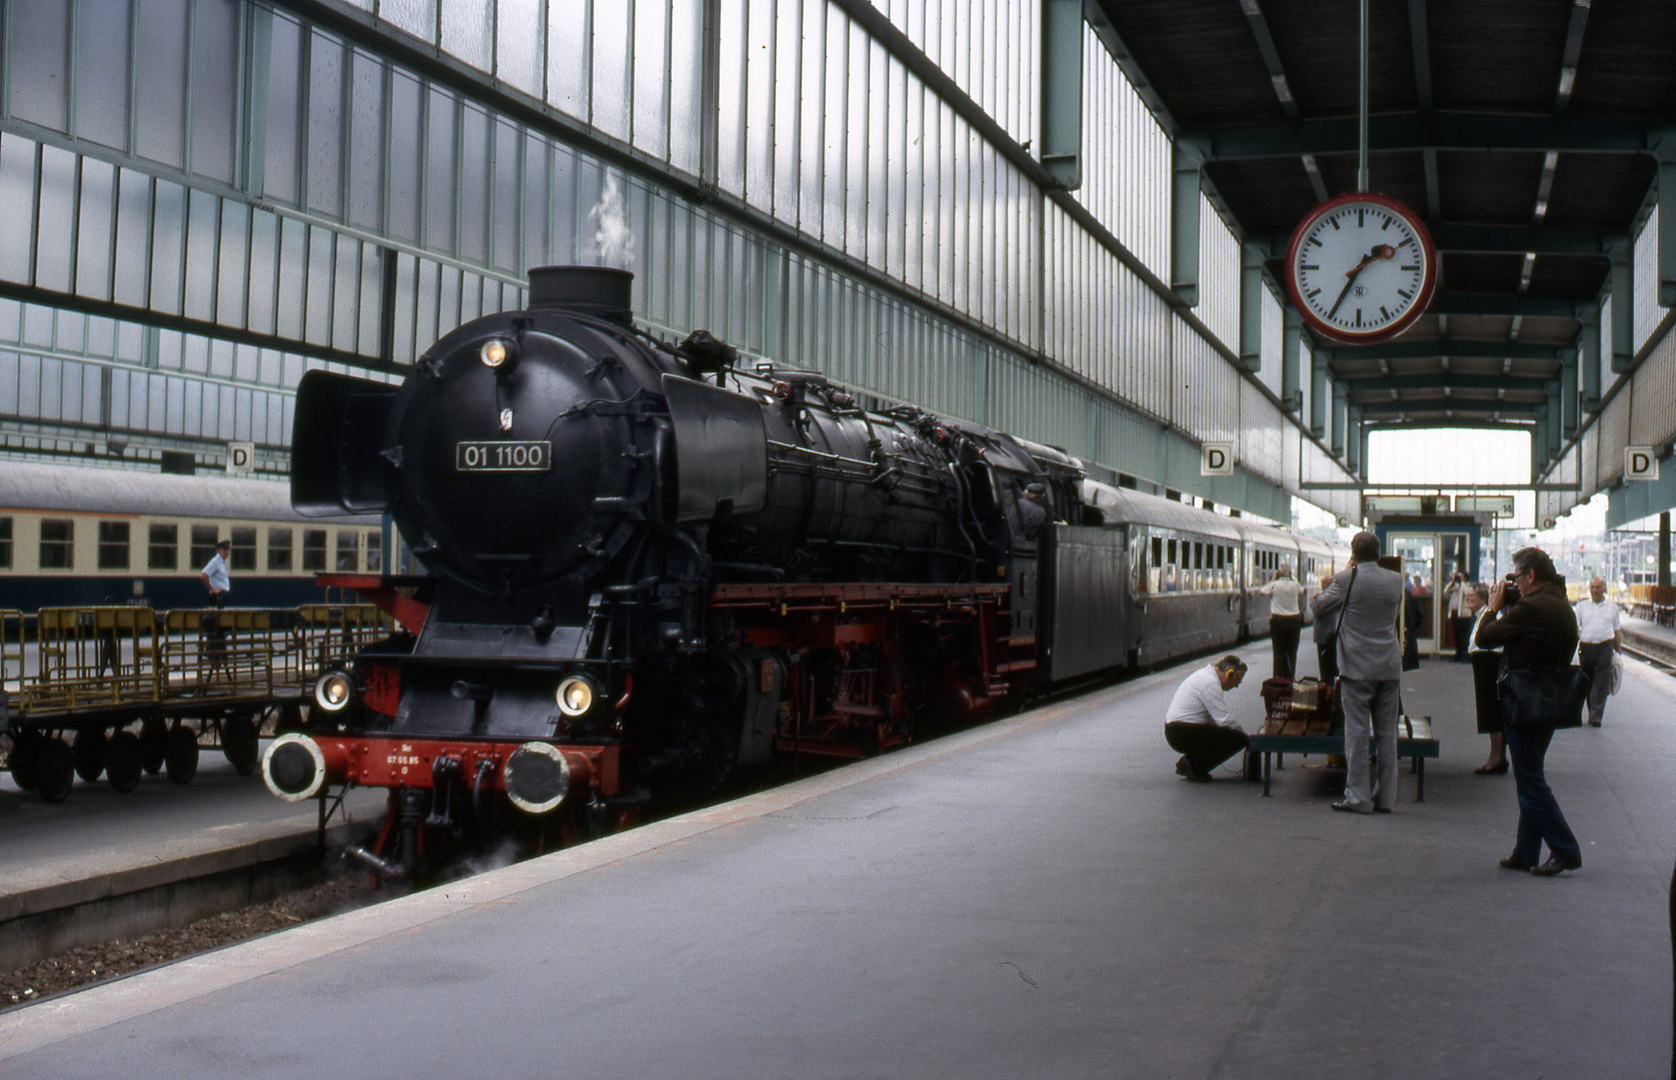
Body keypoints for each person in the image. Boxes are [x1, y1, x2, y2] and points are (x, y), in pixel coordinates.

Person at [1476, 546, 1583, 876]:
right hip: (1548, 702)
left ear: (1531, 576)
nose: (1515, 583)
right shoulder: (1560, 604)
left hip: (1525, 703)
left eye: (1518, 577)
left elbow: (1484, 638)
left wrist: (1493, 609)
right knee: (1530, 776)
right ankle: (1525, 851)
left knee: (1531, 781)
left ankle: (1565, 849)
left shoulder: (1532, 607)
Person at [1310, 530, 1404, 814]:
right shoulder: (1395, 580)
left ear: (1353, 553)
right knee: (1388, 735)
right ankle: (1386, 798)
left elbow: (1317, 608)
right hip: (1388, 666)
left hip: (1356, 668)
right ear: (1378, 553)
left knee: (1357, 734)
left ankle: (1359, 798)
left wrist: (1326, 586)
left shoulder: (1344, 579)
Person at [1164, 655, 1249, 782]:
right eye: (1238, 680)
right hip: (1181, 730)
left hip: (1177, 729)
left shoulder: (1206, 677)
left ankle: (1193, 764)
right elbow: (1224, 720)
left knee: (1226, 734)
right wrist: (1245, 737)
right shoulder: (1210, 683)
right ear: (1229, 674)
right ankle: (1192, 765)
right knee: (1238, 739)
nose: (1236, 686)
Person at [1466, 583, 1508, 775]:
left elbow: (1487, 640)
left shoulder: (1490, 615)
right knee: (1489, 711)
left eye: (1472, 596)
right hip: (1483, 662)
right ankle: (1497, 756)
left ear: (1483, 599)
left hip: (1489, 662)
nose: (1468, 599)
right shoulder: (1482, 616)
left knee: (1491, 711)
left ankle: (1496, 757)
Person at [1574, 576, 1622, 727]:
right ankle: (1591, 709)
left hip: (1605, 646)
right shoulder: (1581, 607)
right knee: (1587, 680)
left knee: (1601, 682)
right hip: (1586, 646)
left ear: (1604, 588)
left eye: (1598, 587)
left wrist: (1618, 652)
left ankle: (1596, 716)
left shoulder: (1613, 608)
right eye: (1592, 587)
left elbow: (1616, 631)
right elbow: (1576, 628)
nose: (1594, 591)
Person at [1254, 563, 1307, 680]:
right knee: (1292, 652)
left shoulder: (1274, 585)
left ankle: (1278, 679)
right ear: (1291, 573)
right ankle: (1290, 678)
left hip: (1278, 621)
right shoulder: (1295, 585)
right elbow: (1302, 591)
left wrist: (1273, 579)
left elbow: (1262, 591)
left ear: (1278, 573)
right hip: (1294, 620)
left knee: (1278, 652)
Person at [1444, 571, 1473, 662]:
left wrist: (1462, 583)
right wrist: (1453, 582)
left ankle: (1465, 654)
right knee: (1456, 634)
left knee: (1463, 635)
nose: (1460, 578)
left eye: (1461, 577)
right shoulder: (1456, 586)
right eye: (1459, 577)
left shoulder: (1468, 585)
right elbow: (1445, 591)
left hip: (1464, 614)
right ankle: (1458, 653)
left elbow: (1467, 592)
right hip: (1455, 612)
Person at [199, 538, 232, 606]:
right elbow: (203, 575)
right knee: (215, 615)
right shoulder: (215, 561)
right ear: (218, 551)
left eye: (228, 549)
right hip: (217, 596)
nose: (227, 552)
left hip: (223, 595)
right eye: (224, 549)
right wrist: (212, 589)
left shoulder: (222, 562)